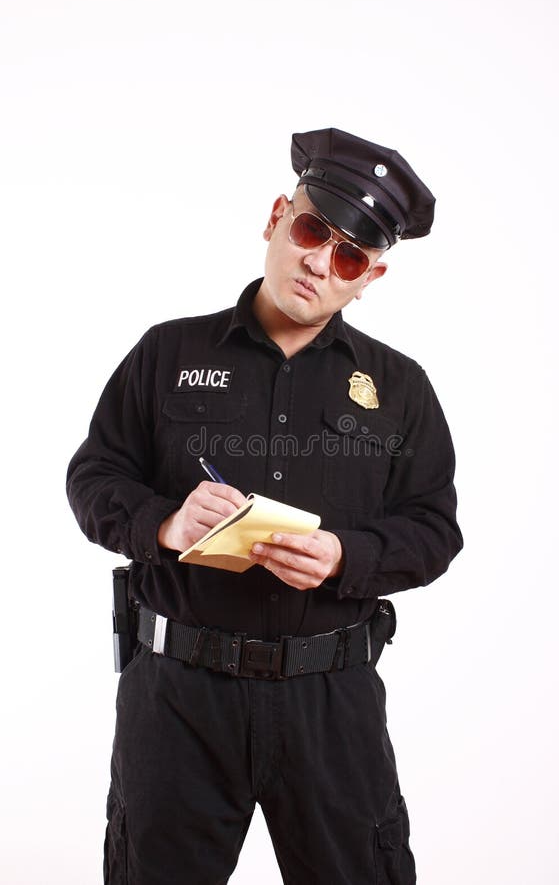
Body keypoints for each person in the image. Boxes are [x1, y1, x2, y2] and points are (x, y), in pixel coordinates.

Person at [67, 127, 463, 885]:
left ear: (370, 276)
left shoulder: (400, 387)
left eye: (349, 255)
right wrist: (164, 523)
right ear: (279, 214)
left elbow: (434, 529)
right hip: (177, 699)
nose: (319, 261)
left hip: (331, 701)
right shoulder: (166, 354)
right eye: (313, 229)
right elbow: (95, 476)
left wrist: (349, 557)